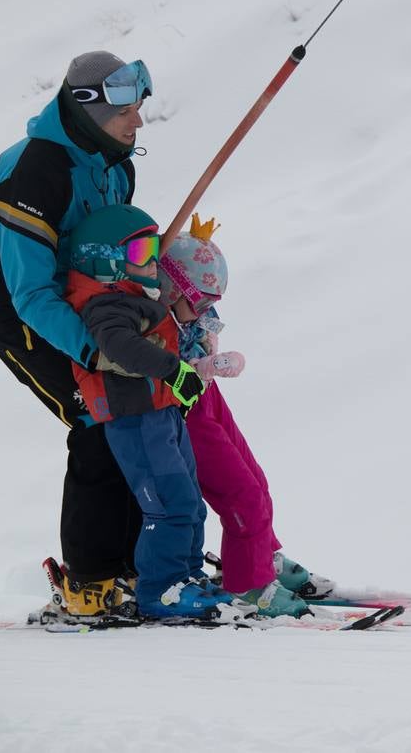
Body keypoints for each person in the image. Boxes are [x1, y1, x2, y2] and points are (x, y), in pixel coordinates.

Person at [0, 51, 155, 615]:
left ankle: (135, 564)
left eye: (140, 108)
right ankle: (89, 580)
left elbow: (112, 253)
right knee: (95, 417)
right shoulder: (36, 170)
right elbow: (29, 293)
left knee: (135, 412)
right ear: (90, 106)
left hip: (82, 303)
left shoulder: (116, 163)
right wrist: (96, 352)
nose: (138, 122)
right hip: (16, 311)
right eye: (128, 110)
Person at [62, 203, 243, 621]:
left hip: (160, 413)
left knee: (191, 503)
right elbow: (119, 347)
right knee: (170, 502)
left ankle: (187, 578)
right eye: (142, 253)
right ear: (105, 258)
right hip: (135, 419)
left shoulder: (135, 297)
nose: (153, 263)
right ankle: (160, 590)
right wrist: (173, 369)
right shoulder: (106, 305)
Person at [158, 216, 334, 618]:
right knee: (241, 494)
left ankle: (261, 558)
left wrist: (216, 359)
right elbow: (158, 366)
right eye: (200, 300)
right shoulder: (153, 321)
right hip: (180, 412)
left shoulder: (187, 316)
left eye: (212, 302)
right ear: (170, 288)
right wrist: (198, 366)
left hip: (206, 399)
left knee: (256, 480)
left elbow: (201, 344)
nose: (206, 309)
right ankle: (248, 584)